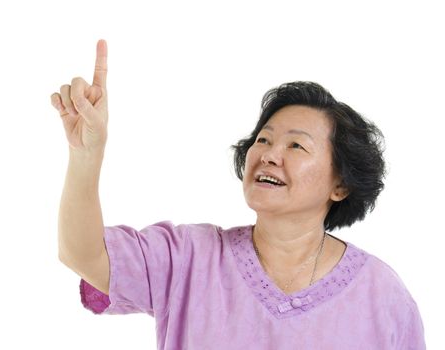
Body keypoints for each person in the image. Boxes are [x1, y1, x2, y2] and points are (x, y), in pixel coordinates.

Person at [51, 39, 426, 349]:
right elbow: (83, 254)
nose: (268, 154)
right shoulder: (188, 258)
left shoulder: (382, 297)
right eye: (263, 139)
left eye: (296, 146)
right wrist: (86, 155)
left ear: (340, 184)